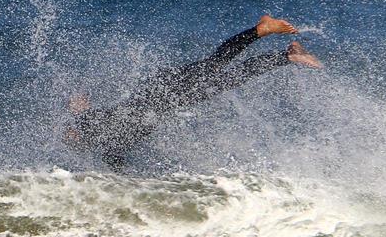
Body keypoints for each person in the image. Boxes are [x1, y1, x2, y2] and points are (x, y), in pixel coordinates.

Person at [62, 15, 324, 166]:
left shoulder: (97, 129)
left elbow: (84, 110)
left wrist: (79, 109)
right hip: (171, 99)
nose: (72, 137)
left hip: (163, 90)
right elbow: (119, 172)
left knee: (216, 66)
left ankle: (261, 29)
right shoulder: (110, 147)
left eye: (71, 135)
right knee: (228, 79)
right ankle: (287, 56)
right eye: (72, 138)